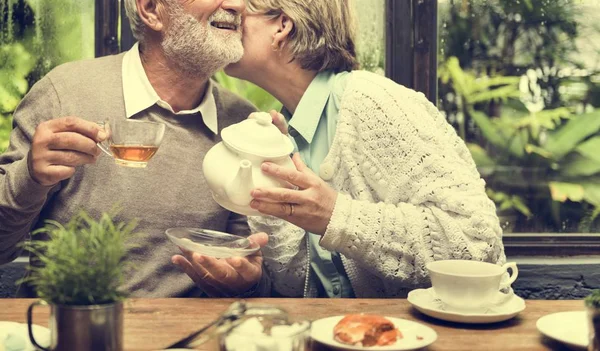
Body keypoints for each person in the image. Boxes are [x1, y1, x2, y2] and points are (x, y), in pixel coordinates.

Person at [224, 0, 506, 298]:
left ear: (281, 26)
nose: (229, 9)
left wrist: (336, 215)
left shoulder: (370, 100)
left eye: (241, 8)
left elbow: (476, 242)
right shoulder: (285, 132)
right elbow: (298, 286)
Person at [0, 0, 269, 298]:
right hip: (71, 330)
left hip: (190, 339)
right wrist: (30, 177)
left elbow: (250, 262)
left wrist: (246, 281)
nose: (237, 4)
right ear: (152, 9)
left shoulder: (243, 123)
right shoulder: (63, 93)